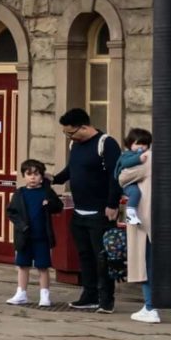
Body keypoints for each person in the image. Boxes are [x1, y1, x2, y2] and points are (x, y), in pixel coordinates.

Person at [49, 108, 123, 311]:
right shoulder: (76, 144)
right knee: (84, 255)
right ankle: (89, 294)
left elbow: (115, 176)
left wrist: (112, 203)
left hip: (100, 211)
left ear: (84, 127)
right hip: (79, 210)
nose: (68, 137)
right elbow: (71, 169)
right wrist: (53, 179)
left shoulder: (105, 143)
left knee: (102, 256)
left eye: (70, 133)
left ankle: (106, 299)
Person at [120, 129, 171, 323]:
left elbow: (123, 176)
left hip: (150, 221)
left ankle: (151, 307)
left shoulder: (151, 158)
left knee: (147, 265)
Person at [6, 159, 60, 307]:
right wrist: (21, 226)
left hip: (42, 236)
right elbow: (11, 212)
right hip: (24, 236)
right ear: (24, 176)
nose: (33, 177)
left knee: (43, 266)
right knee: (23, 265)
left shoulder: (46, 192)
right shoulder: (20, 193)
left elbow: (58, 206)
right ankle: (21, 293)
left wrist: (49, 203)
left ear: (42, 176)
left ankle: (44, 295)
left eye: (36, 174)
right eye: (29, 174)